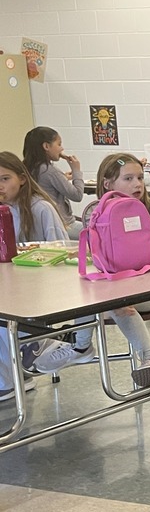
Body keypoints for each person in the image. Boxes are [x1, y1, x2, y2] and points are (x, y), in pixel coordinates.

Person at [39, 153, 150, 388]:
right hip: (119, 283)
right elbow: (102, 256)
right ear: (107, 184)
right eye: (128, 178)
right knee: (92, 289)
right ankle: (146, 358)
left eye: (139, 178)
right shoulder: (98, 212)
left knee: (108, 298)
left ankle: (84, 345)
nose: (137, 184)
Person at [0, 152, 76, 401]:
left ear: (22, 179)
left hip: (41, 287)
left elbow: (62, 251)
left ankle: (10, 378)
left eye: (5, 178)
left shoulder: (40, 208)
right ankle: (18, 370)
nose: (0, 186)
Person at [22, 126, 85, 239]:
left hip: (40, 225)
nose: (62, 149)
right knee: (97, 232)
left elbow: (44, 184)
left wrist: (63, 177)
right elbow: (77, 195)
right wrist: (76, 171)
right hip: (63, 224)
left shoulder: (28, 167)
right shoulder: (49, 170)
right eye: (59, 144)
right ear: (46, 146)